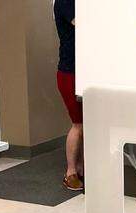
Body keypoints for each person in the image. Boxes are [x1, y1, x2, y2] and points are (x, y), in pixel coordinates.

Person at [54, 0, 84, 191]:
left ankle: (81, 168)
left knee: (87, 125)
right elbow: (83, 24)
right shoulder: (65, 2)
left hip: (85, 70)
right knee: (78, 124)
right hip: (69, 73)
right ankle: (70, 172)